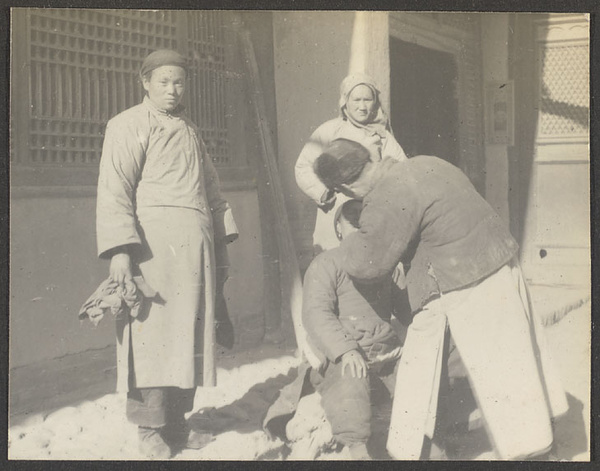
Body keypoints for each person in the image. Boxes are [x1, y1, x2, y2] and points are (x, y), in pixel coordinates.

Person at [312, 139, 568, 460]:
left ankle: (531, 451)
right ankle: (415, 446)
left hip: (464, 281)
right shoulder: (425, 162)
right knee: (510, 361)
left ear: (346, 186)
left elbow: (367, 262)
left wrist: (344, 247)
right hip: (498, 263)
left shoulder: (387, 194)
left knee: (497, 371)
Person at [96, 49, 238, 459]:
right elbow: (115, 189)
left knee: (190, 333)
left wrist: (222, 237)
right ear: (145, 82)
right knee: (152, 337)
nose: (172, 90)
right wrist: (121, 251)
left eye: (179, 82)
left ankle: (177, 423)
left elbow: (211, 190)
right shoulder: (127, 124)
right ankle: (149, 427)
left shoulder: (191, 130)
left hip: (194, 249)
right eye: (163, 82)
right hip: (152, 250)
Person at [263, 200, 407, 460]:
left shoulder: (385, 266)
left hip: (385, 354)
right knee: (352, 375)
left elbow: (407, 309)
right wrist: (346, 350)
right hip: (341, 358)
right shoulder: (326, 264)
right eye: (353, 229)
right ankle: (358, 450)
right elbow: (316, 313)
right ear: (340, 231)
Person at [295, 73, 407, 253]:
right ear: (345, 101)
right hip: (334, 207)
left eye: (367, 100)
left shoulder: (382, 135)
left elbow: (403, 171)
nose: (362, 107)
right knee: (334, 263)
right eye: (356, 100)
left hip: (369, 209)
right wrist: (323, 193)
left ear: (375, 102)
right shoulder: (330, 130)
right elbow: (302, 167)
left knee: (367, 259)